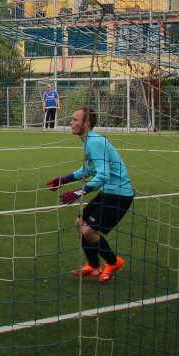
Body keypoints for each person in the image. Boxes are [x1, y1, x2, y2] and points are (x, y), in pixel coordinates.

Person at [46, 106, 133, 284]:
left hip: (119, 195)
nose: (71, 123)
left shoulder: (94, 142)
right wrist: (65, 179)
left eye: (75, 120)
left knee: (88, 230)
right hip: (108, 192)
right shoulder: (88, 140)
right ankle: (94, 265)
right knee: (80, 223)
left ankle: (113, 262)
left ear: (86, 123)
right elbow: (90, 168)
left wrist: (79, 192)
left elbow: (104, 175)